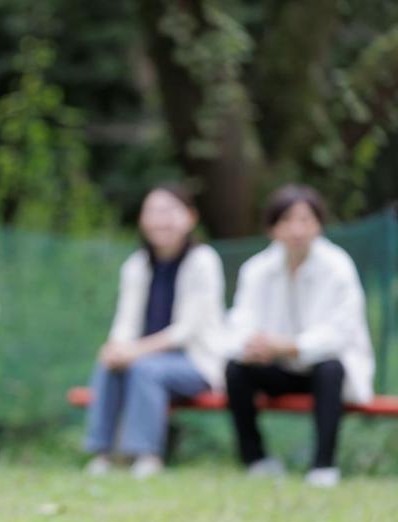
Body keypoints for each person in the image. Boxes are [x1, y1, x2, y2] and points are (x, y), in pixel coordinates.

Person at [222, 184, 374, 487]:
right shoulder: (257, 269)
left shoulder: (338, 267)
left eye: (306, 220)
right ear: (272, 228)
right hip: (276, 367)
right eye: (287, 220)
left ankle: (323, 466)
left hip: (321, 370)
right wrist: (252, 345)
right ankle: (256, 460)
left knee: (331, 368)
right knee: (236, 370)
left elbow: (342, 331)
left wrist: (291, 346)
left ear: (318, 225)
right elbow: (239, 321)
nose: (297, 230)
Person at [84, 185, 226, 479]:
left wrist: (135, 351)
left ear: (190, 218)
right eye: (154, 212)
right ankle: (102, 453)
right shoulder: (136, 265)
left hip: (197, 363)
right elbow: (125, 322)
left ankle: (145, 454)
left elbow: (186, 331)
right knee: (109, 363)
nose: (161, 220)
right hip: (147, 358)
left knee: (145, 369)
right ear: (142, 220)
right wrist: (116, 348)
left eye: (169, 211)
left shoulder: (203, 261)